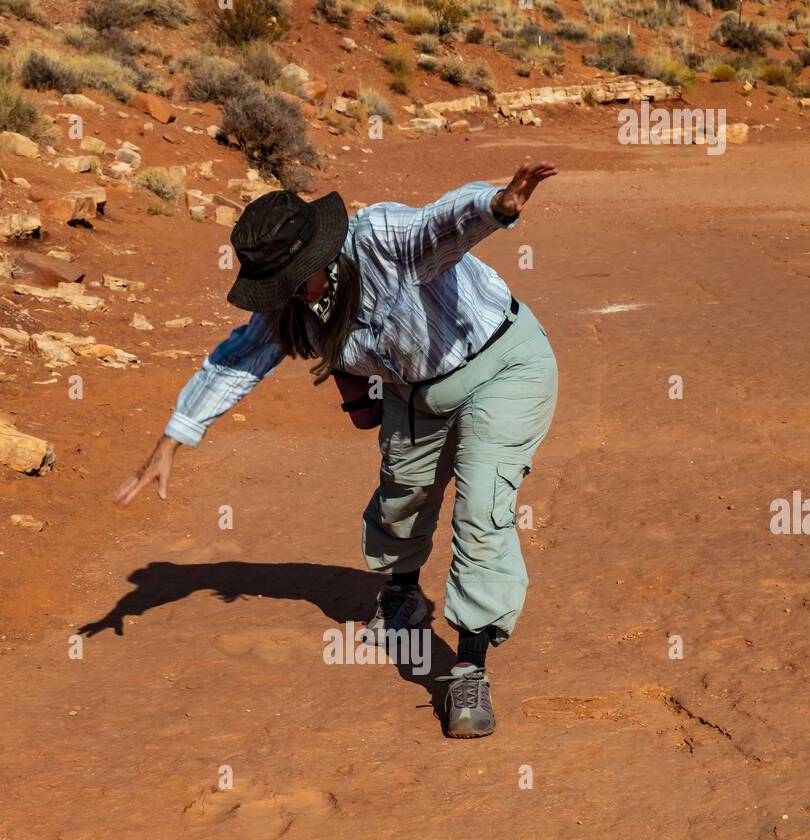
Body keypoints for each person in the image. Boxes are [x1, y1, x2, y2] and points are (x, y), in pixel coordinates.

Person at [114, 157, 559, 738]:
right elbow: (238, 359)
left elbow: (439, 223)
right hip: (415, 387)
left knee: (481, 514)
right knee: (402, 495)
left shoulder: (381, 239)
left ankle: (469, 667)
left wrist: (496, 205)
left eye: (294, 283)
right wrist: (174, 438)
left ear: (320, 258)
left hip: (503, 368)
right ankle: (403, 595)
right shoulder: (296, 301)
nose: (290, 299)